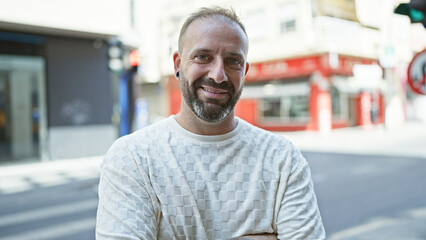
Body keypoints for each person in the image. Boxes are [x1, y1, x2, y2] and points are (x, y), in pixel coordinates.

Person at [96, 6, 326, 240]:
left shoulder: (283, 159)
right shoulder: (132, 157)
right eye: (203, 57)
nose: (218, 75)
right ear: (178, 64)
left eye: (232, 61)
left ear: (244, 71)